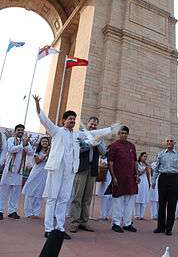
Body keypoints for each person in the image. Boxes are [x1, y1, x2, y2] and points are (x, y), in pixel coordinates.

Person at [33, 95, 81, 240]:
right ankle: (48, 229)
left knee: (63, 199)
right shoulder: (56, 131)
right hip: (56, 168)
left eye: (74, 119)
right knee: (52, 198)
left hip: (69, 171)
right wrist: (37, 105)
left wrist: (109, 130)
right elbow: (44, 120)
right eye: (69, 118)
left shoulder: (76, 135)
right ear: (63, 121)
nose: (72, 120)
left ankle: (60, 228)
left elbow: (92, 135)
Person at [69, 117, 120, 233]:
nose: (93, 126)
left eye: (95, 125)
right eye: (92, 124)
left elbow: (103, 152)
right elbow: (78, 150)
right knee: (78, 197)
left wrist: (97, 142)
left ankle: (84, 222)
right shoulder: (80, 135)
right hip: (81, 169)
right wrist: (90, 144)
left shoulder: (99, 136)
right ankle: (74, 222)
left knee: (87, 198)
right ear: (87, 124)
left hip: (92, 170)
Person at [152, 135, 178, 235]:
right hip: (163, 178)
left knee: (172, 204)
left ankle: (169, 228)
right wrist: (153, 181)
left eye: (171, 141)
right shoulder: (161, 154)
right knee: (161, 203)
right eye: (168, 141)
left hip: (174, 179)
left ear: (174, 143)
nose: (169, 142)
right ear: (166, 143)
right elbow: (156, 169)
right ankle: (160, 227)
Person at [0, 124, 33, 220]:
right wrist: (22, 145)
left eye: (22, 130)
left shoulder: (26, 142)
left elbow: (31, 152)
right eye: (18, 130)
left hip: (19, 171)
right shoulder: (10, 140)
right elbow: (11, 149)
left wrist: (26, 144)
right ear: (15, 131)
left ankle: (12, 211)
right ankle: (0, 211)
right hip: (9, 170)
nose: (20, 132)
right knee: (4, 191)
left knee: (16, 192)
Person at [109, 126, 138, 233]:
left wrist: (137, 174)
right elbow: (110, 163)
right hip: (119, 178)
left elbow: (135, 161)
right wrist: (113, 177)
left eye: (125, 133)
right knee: (118, 201)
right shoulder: (114, 146)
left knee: (130, 201)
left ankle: (127, 223)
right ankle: (116, 223)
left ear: (128, 134)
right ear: (118, 134)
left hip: (130, 178)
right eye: (121, 133)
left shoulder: (132, 146)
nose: (123, 135)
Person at [22, 136, 50, 218]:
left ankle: (36, 213)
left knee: (39, 193)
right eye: (43, 141)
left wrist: (49, 153)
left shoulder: (52, 152)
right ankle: (28, 213)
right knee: (30, 192)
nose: (45, 143)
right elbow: (37, 161)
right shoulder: (37, 151)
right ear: (40, 143)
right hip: (36, 173)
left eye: (46, 141)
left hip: (45, 174)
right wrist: (46, 155)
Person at [135, 152, 150, 220]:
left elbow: (148, 175)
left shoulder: (146, 164)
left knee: (144, 198)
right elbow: (137, 173)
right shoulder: (137, 164)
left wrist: (149, 182)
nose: (145, 158)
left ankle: (142, 215)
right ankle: (137, 215)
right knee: (138, 198)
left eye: (146, 157)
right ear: (140, 157)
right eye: (144, 156)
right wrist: (144, 170)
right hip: (139, 182)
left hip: (145, 182)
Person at [96, 153, 112, 220]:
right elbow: (101, 166)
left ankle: (107, 215)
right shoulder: (103, 159)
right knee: (104, 198)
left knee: (110, 198)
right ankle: (103, 214)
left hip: (111, 179)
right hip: (105, 179)